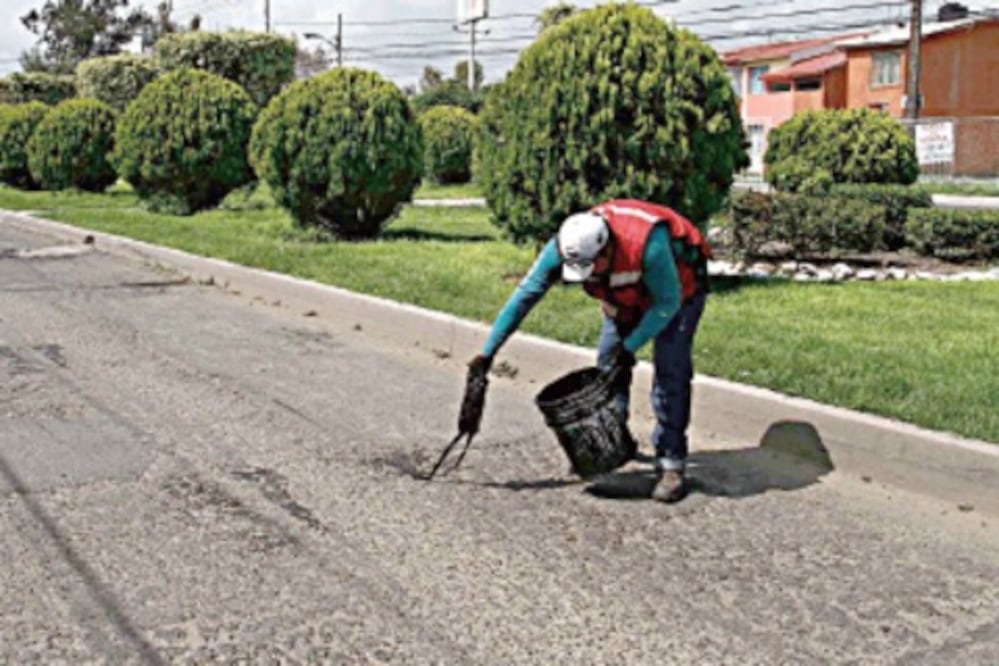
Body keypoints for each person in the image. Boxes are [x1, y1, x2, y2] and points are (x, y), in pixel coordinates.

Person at [470, 199, 710, 503]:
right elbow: (526, 295)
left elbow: (667, 303)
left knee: (670, 372)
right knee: (608, 365)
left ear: (608, 249)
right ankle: (615, 447)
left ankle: (672, 463)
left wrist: (631, 346)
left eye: (591, 267)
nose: (587, 275)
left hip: (680, 291)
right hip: (625, 292)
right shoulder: (565, 246)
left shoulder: (647, 243)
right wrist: (487, 353)